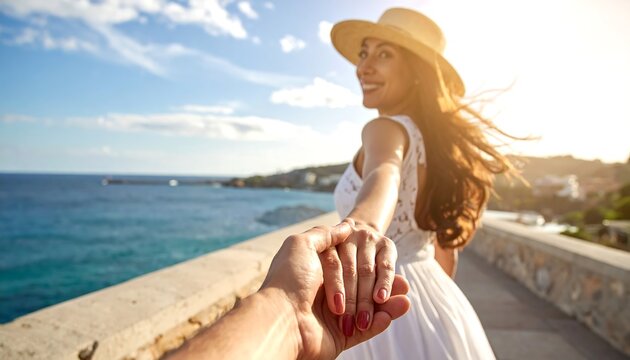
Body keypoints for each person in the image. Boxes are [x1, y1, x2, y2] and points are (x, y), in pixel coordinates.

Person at [324, 7, 520, 359]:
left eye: (384, 54)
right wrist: (434, 315)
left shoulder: (383, 129)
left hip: (383, 304)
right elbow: (446, 254)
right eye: (364, 53)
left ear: (416, 71)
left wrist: (363, 225)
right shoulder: (434, 147)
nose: (363, 67)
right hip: (438, 302)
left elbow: (385, 171)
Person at [165, 219, 411, 360]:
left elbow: (380, 182)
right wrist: (290, 311)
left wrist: (356, 229)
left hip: (379, 283)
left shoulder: (384, 128)